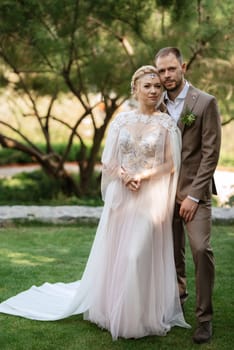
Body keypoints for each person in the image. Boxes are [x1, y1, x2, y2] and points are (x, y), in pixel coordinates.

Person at [0, 66, 190, 340]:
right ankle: (113, 310)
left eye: (157, 87)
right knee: (118, 253)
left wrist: (143, 174)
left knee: (136, 254)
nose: (153, 91)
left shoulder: (167, 124)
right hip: (123, 197)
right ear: (134, 88)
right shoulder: (121, 122)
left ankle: (137, 317)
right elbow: (109, 161)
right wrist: (124, 175)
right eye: (147, 86)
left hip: (150, 199)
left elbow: (172, 164)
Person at [155, 47, 221, 344]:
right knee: (170, 251)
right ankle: (176, 301)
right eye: (161, 71)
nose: (166, 76)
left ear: (182, 66)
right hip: (161, 193)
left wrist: (194, 196)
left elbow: (211, 153)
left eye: (171, 69)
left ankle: (204, 319)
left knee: (200, 250)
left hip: (194, 193)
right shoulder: (154, 104)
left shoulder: (205, 102)